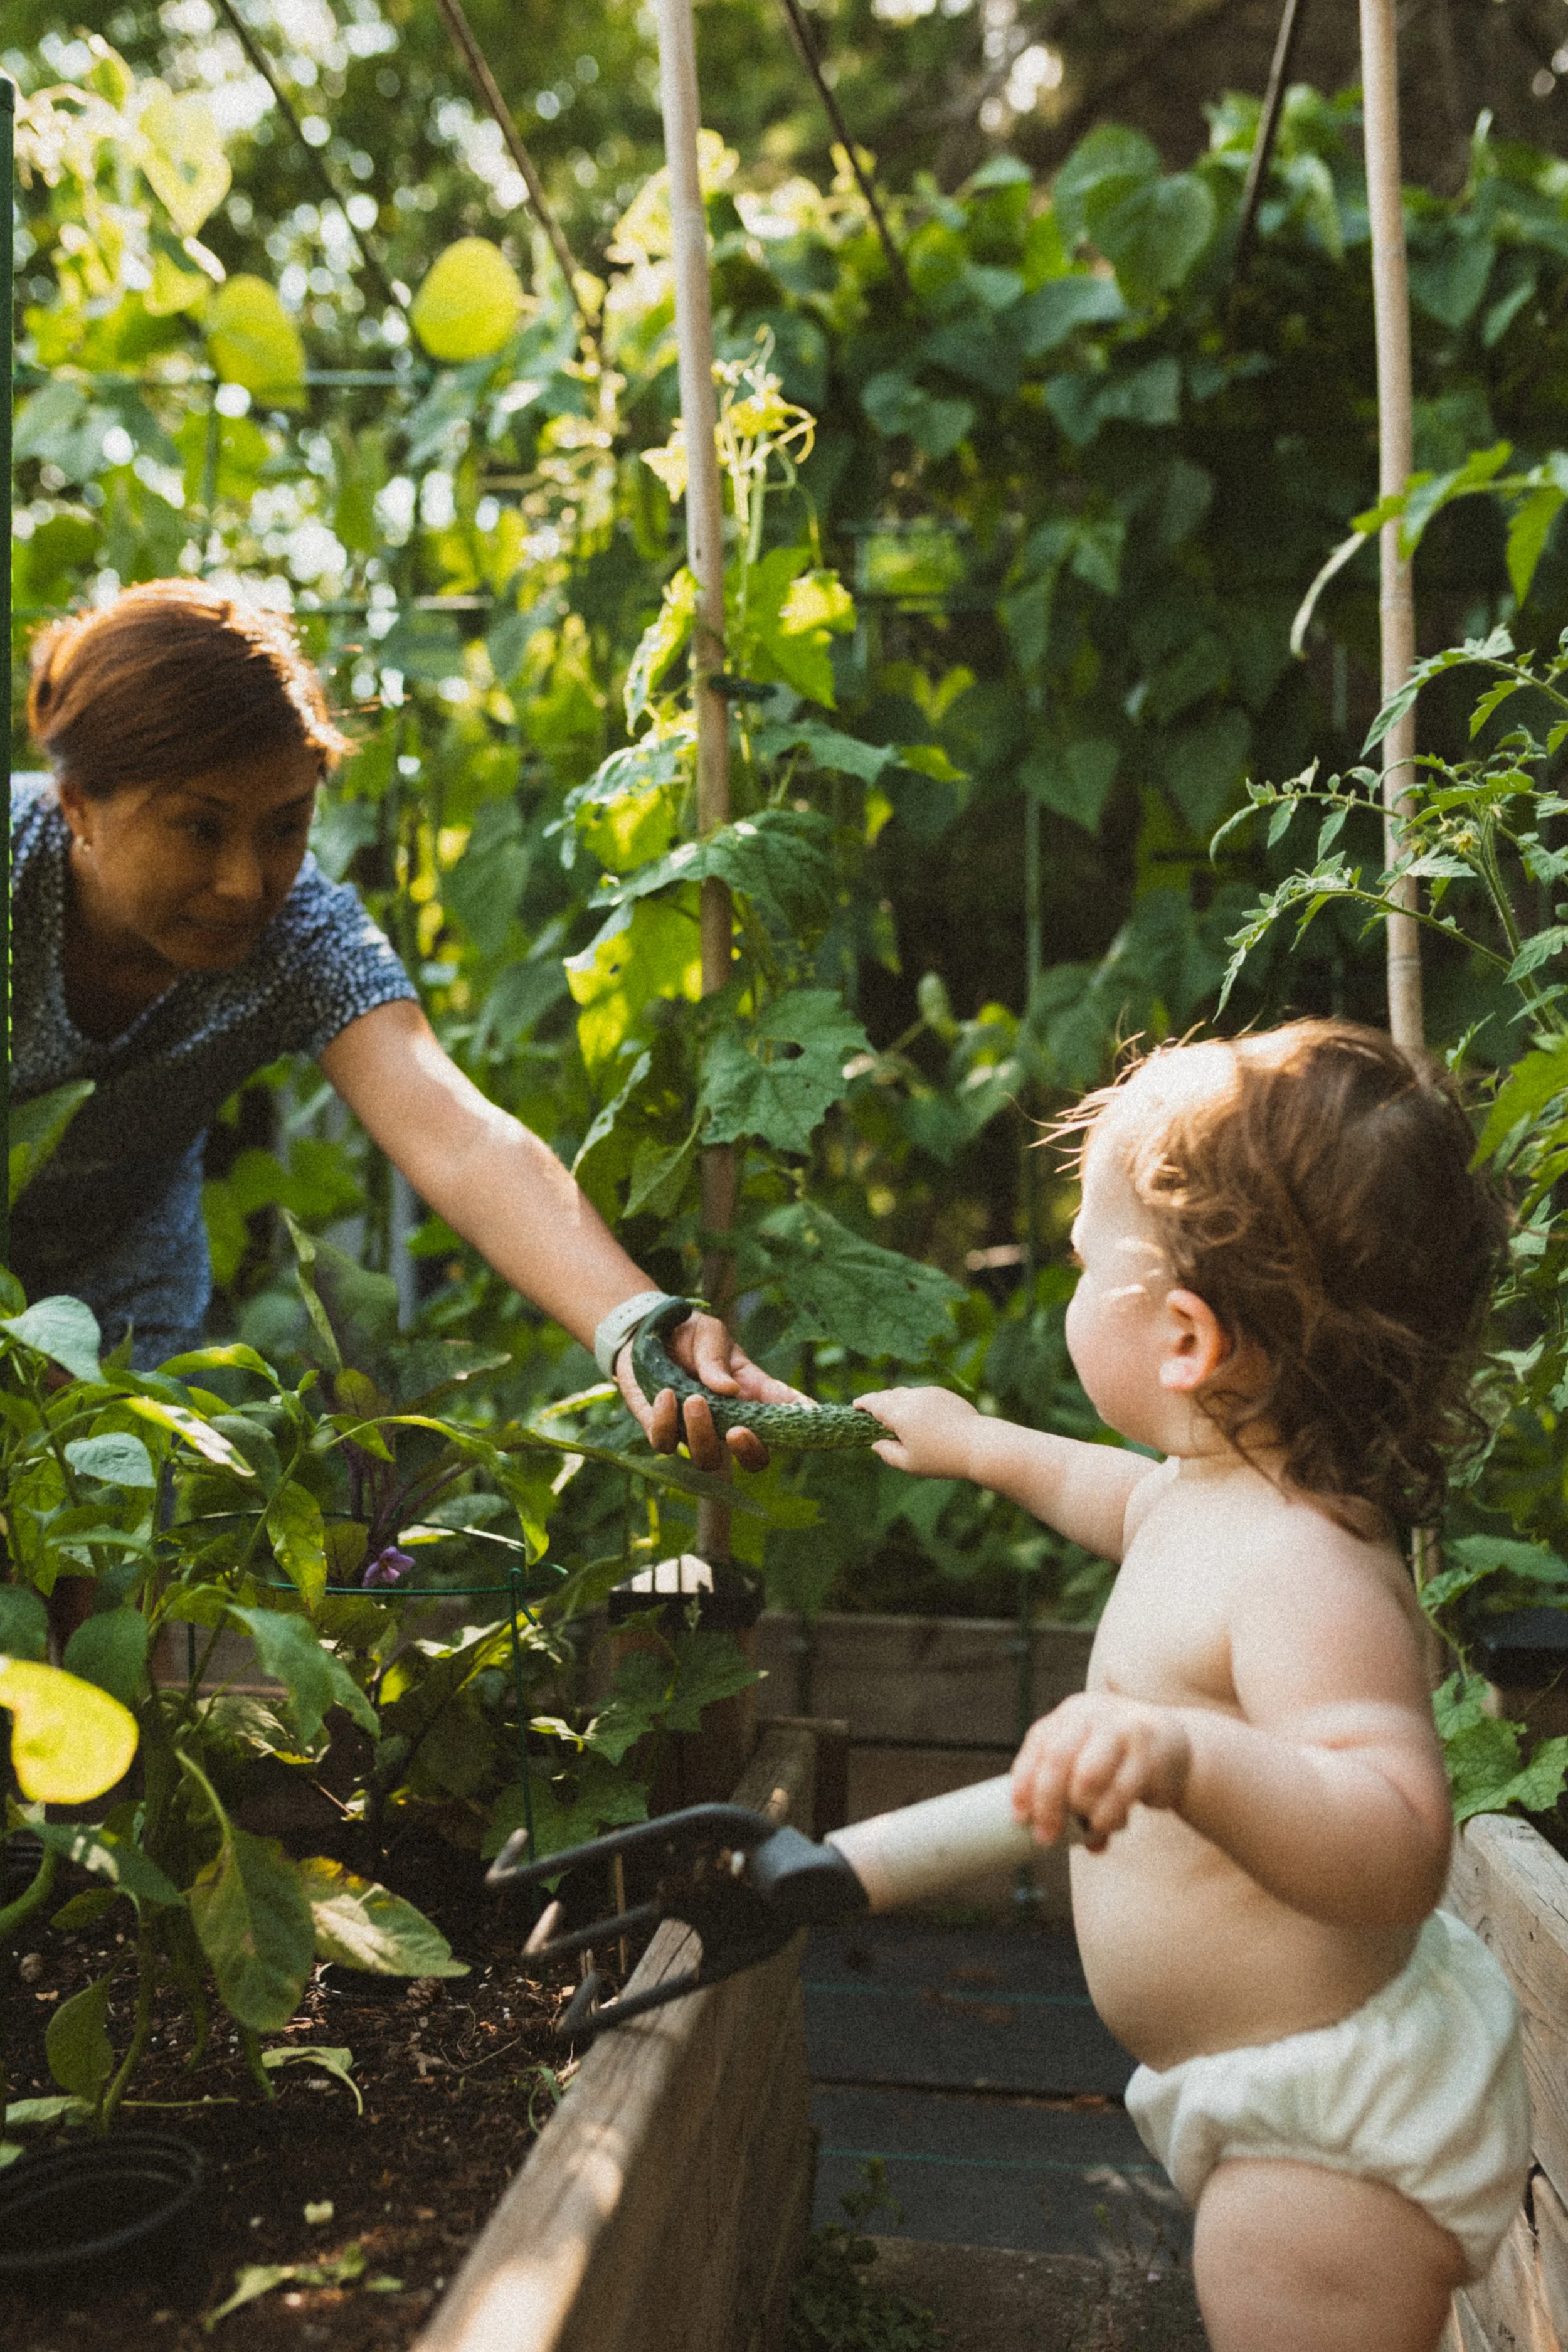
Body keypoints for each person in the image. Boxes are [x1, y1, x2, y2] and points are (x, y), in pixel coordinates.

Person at [856, 1020, 1530, 2352]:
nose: (1063, 1280)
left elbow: (1397, 1839)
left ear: (1180, 1338)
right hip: (1266, 2092)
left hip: (1328, 2140)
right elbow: (1104, 1492)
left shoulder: (1303, 1567)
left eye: (1076, 1261)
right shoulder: (1210, 1494)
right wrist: (979, 1444)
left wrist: (1184, 1758)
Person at [11, 578, 790, 1466]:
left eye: (284, 825)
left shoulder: (304, 936)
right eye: (199, 828)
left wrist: (638, 1325)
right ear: (79, 805)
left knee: (95, 1549)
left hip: (123, 1291)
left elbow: (460, 1137)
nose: (246, 882)